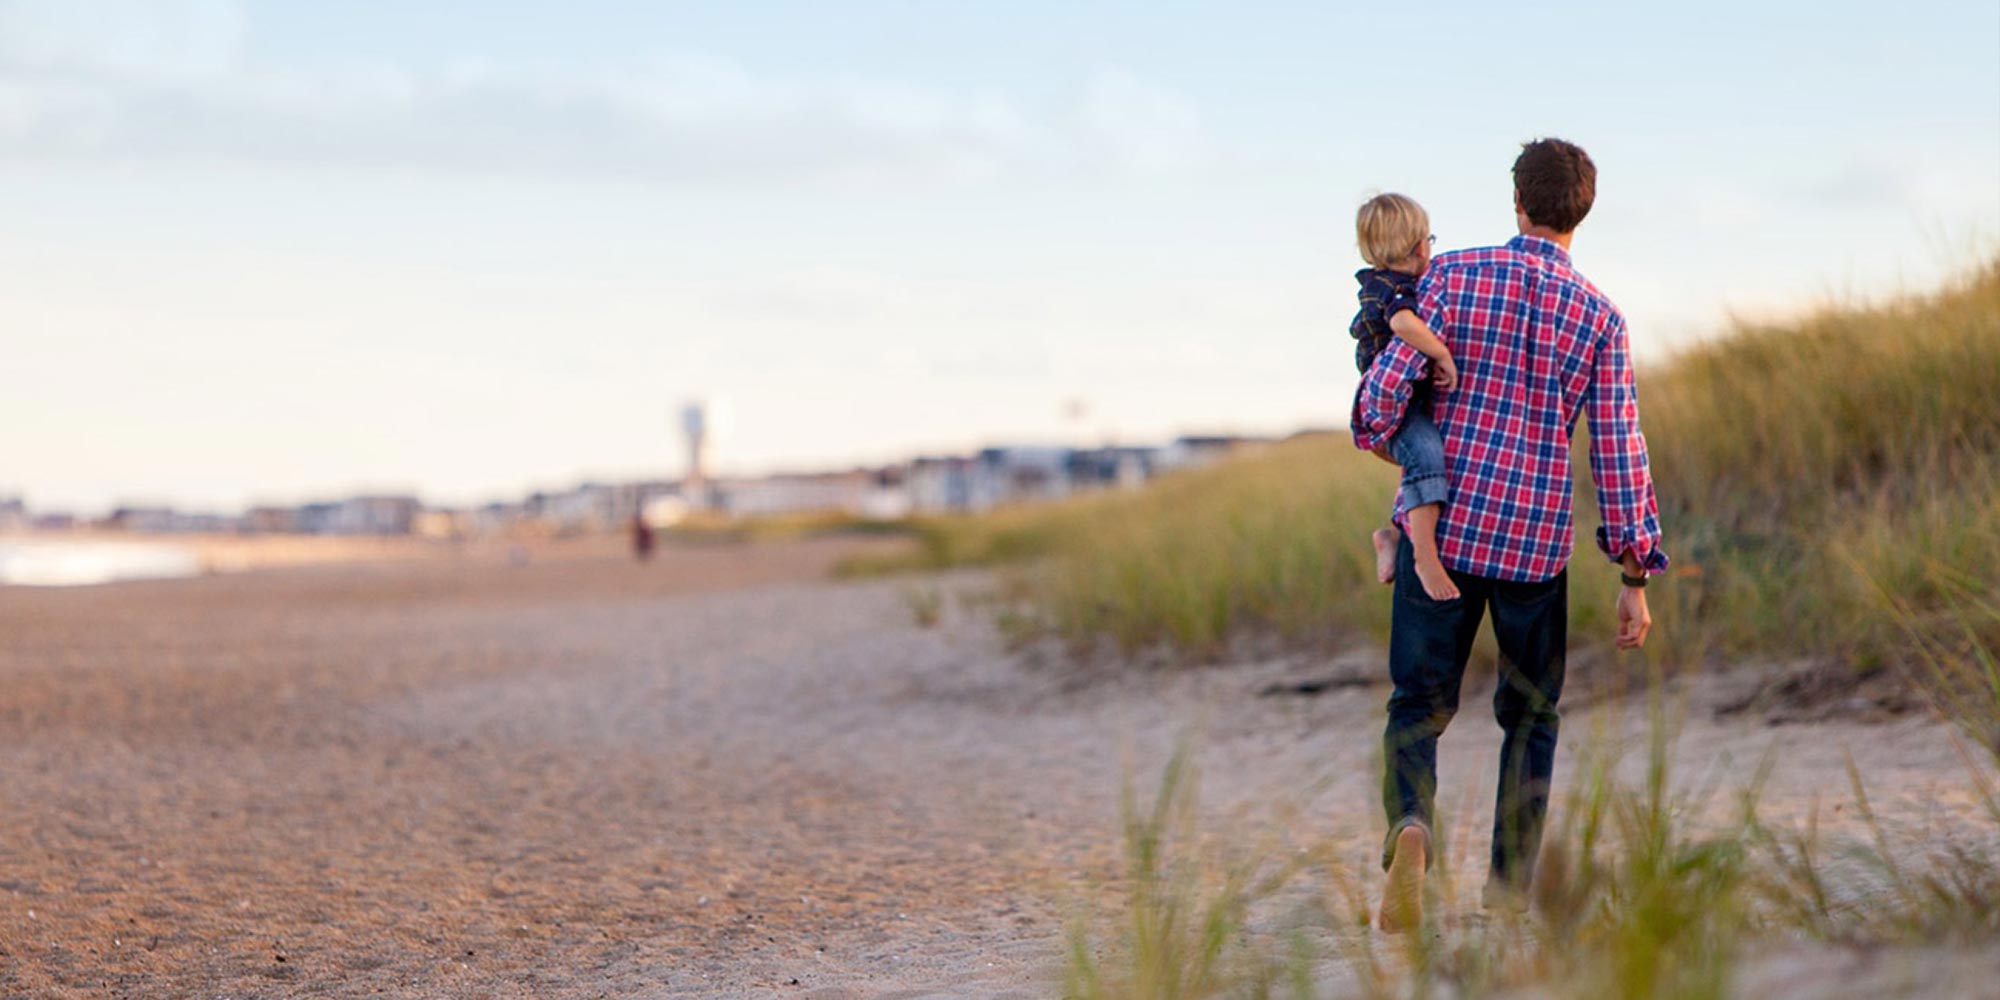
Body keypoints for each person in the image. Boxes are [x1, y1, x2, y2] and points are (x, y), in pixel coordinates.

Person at [1350, 138, 1668, 932]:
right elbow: (1619, 448)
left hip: (1446, 533)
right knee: (1530, 718)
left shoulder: (1451, 275)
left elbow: (1381, 396)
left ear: (1517, 202)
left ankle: (1411, 828)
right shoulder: (1600, 316)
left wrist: (1386, 431)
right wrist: (1633, 576)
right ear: (1581, 212)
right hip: (1533, 547)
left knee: (1416, 709)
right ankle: (1509, 892)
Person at [1349, 193, 1461, 602]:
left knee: (1420, 464)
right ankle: (1425, 558)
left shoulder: (1390, 282)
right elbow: (1403, 324)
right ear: (1419, 245)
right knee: (1427, 456)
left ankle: (1392, 535)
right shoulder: (1392, 289)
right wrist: (1440, 351)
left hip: (1405, 402)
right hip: (1394, 407)